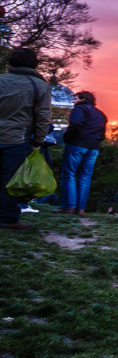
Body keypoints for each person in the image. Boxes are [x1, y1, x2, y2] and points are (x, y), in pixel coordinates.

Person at [0, 48, 51, 231]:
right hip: (17, 139)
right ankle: (8, 218)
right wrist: (38, 141)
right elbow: (42, 116)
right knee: (11, 180)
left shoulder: (1, 80)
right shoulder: (39, 86)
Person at [59, 90, 107, 215]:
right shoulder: (100, 114)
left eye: (75, 98)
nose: (73, 101)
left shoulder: (79, 110)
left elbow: (75, 125)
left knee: (69, 174)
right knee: (85, 177)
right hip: (93, 147)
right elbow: (103, 133)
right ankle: (80, 208)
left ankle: (69, 207)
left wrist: (67, 138)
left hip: (77, 144)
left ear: (81, 99)